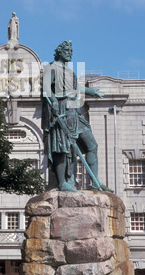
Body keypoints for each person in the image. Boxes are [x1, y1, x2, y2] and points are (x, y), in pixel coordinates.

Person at [42, 40, 111, 192]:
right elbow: (46, 89)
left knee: (92, 145)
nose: (69, 53)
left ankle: (95, 182)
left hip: (75, 111)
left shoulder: (69, 71)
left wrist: (91, 91)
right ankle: (63, 183)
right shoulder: (51, 68)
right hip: (62, 110)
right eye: (66, 50)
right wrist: (53, 102)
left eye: (71, 51)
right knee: (63, 148)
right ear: (59, 51)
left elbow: (74, 87)